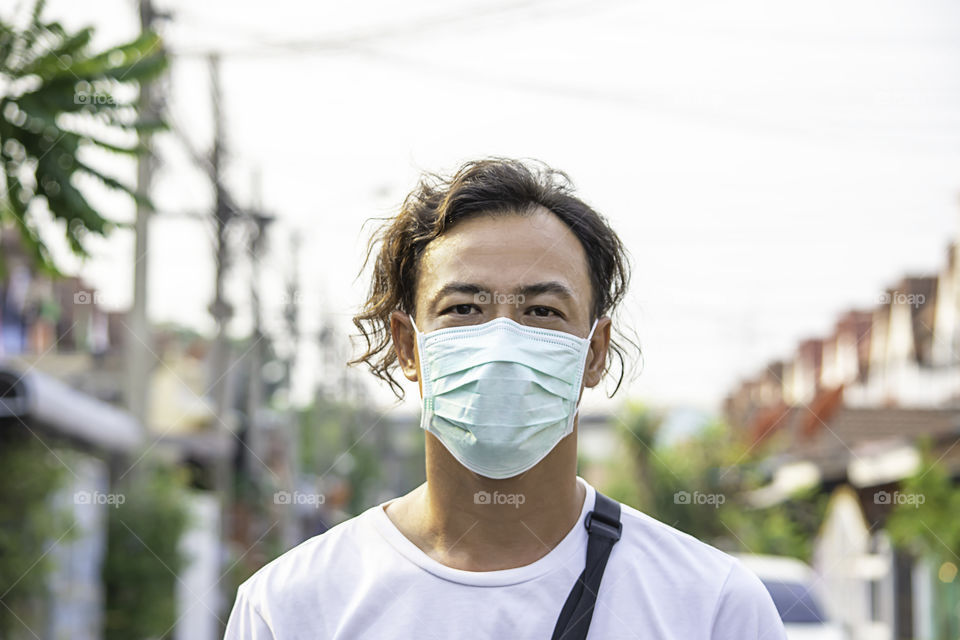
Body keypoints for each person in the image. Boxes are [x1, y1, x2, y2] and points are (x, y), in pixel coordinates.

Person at [224, 157, 787, 639]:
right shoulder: (290, 607)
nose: (501, 345)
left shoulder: (711, 606)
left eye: (542, 311)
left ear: (594, 352)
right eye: (463, 309)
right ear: (408, 346)